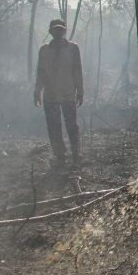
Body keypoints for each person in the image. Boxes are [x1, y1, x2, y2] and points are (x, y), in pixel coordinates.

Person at [33, 18, 84, 165]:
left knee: (72, 125)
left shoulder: (73, 48)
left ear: (65, 30)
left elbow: (77, 70)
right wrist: (37, 91)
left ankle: (76, 153)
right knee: (53, 126)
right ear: (50, 31)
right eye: (56, 29)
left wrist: (80, 91)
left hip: (68, 93)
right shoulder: (44, 50)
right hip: (50, 95)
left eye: (61, 29)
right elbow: (40, 72)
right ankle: (60, 155)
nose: (59, 32)